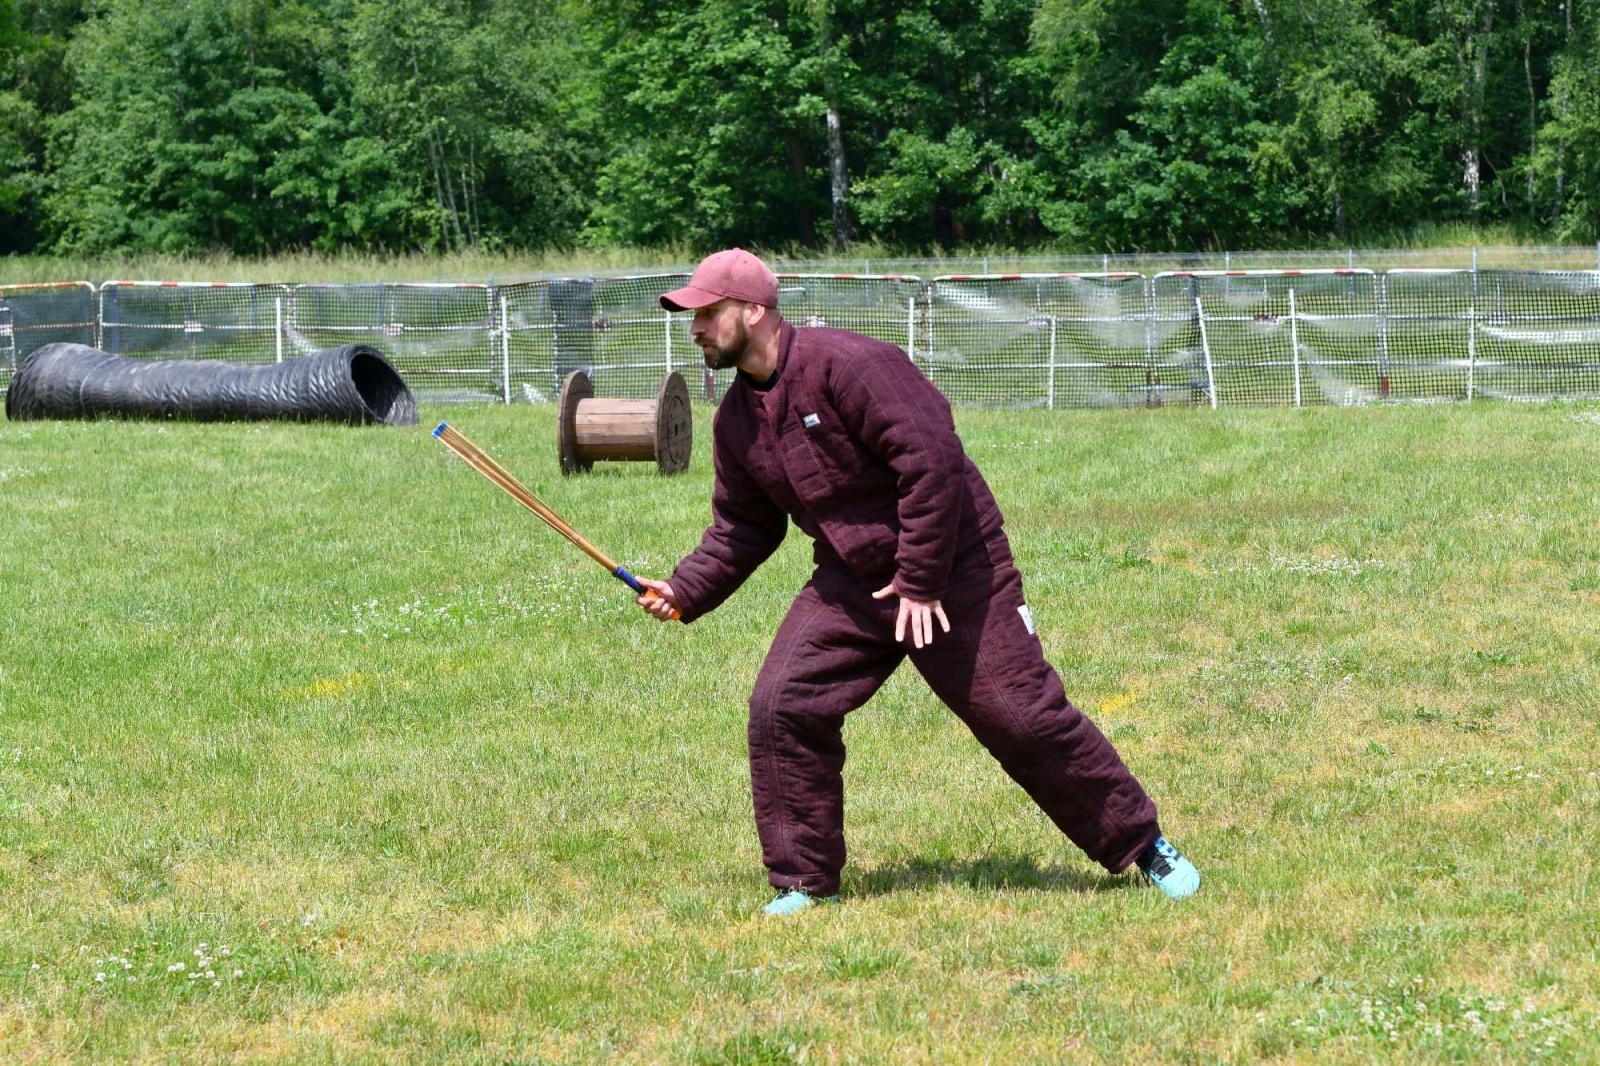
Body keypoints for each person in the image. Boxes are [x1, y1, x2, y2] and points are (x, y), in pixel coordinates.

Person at [635, 248, 1200, 916]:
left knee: (1018, 715)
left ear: (753, 311)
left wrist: (921, 580)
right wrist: (684, 589)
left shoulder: (853, 365)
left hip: (956, 564)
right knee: (784, 704)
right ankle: (803, 881)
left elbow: (932, 466)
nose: (695, 328)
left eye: (706, 313)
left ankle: (1144, 845)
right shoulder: (735, 422)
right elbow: (743, 527)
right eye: (690, 316)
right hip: (853, 577)